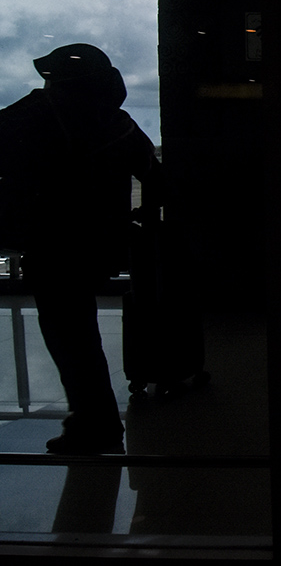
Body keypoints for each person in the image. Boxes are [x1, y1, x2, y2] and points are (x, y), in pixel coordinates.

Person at [0, 44, 158, 454]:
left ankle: (95, 420)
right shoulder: (118, 124)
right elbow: (154, 174)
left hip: (52, 244)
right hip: (100, 244)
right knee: (80, 334)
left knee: (69, 337)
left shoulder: (37, 117)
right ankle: (94, 418)